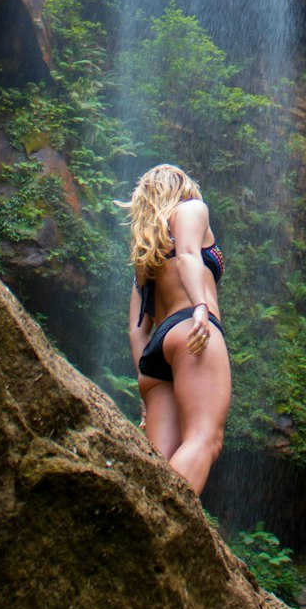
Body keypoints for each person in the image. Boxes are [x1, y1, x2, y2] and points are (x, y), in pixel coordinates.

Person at [122, 163, 230, 496]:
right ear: (181, 185)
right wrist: (201, 306)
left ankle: (143, 517)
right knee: (204, 438)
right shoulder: (192, 209)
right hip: (192, 330)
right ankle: (159, 533)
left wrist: (144, 387)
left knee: (158, 464)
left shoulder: (145, 256)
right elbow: (186, 255)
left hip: (156, 352)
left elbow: (137, 330)